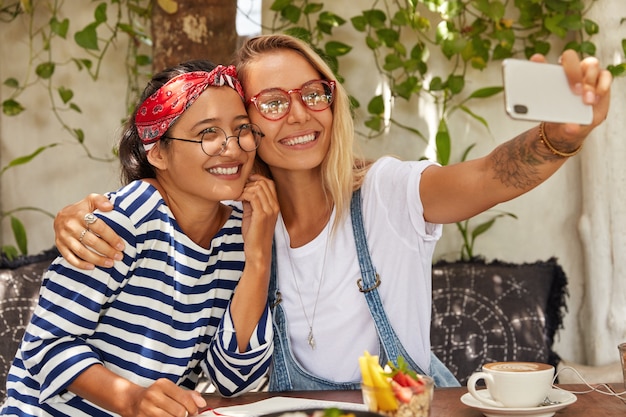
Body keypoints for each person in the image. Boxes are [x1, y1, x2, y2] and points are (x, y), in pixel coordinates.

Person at [50, 34, 612, 391]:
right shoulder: (229, 225)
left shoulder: (388, 193)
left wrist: (558, 136)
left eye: (312, 92)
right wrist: (76, 217)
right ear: (245, 127)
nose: (298, 114)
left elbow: (492, 176)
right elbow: (159, 201)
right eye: (271, 103)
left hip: (406, 409)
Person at [0, 60, 279, 416]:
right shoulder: (119, 221)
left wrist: (257, 258)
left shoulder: (246, 231)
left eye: (242, 129)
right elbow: (47, 344)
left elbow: (232, 380)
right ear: (158, 152)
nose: (234, 147)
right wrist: (131, 399)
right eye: (207, 133)